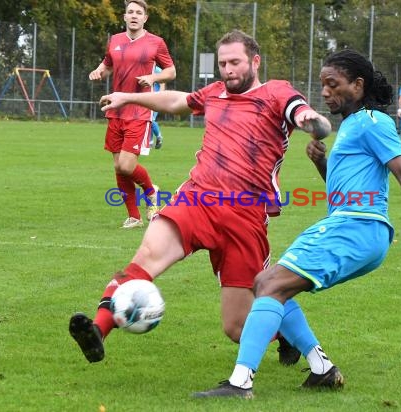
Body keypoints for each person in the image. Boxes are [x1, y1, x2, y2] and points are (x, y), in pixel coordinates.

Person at [193, 49, 401, 399]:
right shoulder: (354, 126)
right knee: (267, 282)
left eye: (333, 84)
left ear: (358, 85)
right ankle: (322, 369)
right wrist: (322, 164)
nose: (325, 92)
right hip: (350, 224)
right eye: (323, 84)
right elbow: (344, 191)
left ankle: (240, 384)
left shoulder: (373, 121)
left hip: (357, 228)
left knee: (269, 285)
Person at [69, 30, 333, 366]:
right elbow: (178, 101)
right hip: (197, 199)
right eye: (223, 63)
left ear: (255, 61)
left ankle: (283, 335)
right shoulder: (216, 91)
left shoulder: (276, 92)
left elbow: (302, 113)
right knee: (147, 256)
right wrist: (128, 96)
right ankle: (98, 329)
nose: (228, 69)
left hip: (245, 215)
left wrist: (313, 122)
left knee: (237, 327)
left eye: (235, 62)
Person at [89, 0, 176, 229]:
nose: (134, 15)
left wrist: (153, 78)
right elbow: (107, 65)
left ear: (145, 18)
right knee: (118, 166)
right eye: (130, 12)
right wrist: (99, 71)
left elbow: (171, 71)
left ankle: (151, 191)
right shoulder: (115, 40)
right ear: (124, 17)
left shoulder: (156, 42)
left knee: (127, 166)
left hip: (139, 110)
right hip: (115, 110)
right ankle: (134, 217)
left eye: (139, 12)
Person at [149, 66, 165, 150]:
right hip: (146, 99)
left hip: (155, 99)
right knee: (148, 120)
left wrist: (159, 97)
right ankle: (150, 143)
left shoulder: (158, 70)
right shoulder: (145, 68)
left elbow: (162, 84)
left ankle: (159, 136)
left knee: (151, 119)